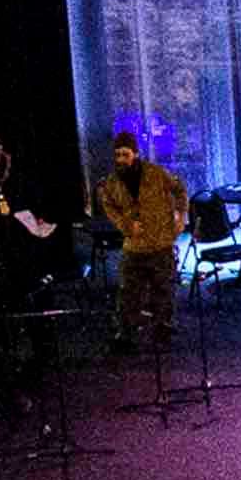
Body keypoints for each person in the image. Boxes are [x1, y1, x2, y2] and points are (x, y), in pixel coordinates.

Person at [96, 124, 191, 357]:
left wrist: (181, 215)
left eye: (125, 154)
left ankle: (163, 330)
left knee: (163, 290)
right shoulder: (111, 183)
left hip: (159, 241)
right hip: (134, 244)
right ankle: (125, 335)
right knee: (128, 293)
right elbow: (110, 208)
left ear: (135, 154)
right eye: (117, 155)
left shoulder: (156, 174)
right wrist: (126, 226)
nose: (121, 159)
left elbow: (180, 190)